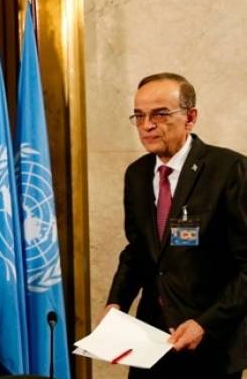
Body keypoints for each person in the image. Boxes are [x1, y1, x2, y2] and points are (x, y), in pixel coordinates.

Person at [105, 72, 247, 378]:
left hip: (210, 347)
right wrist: (116, 303)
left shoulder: (229, 170)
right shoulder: (137, 174)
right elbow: (137, 250)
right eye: (139, 115)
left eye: (160, 114)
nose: (147, 125)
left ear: (190, 117)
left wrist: (204, 324)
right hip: (149, 344)